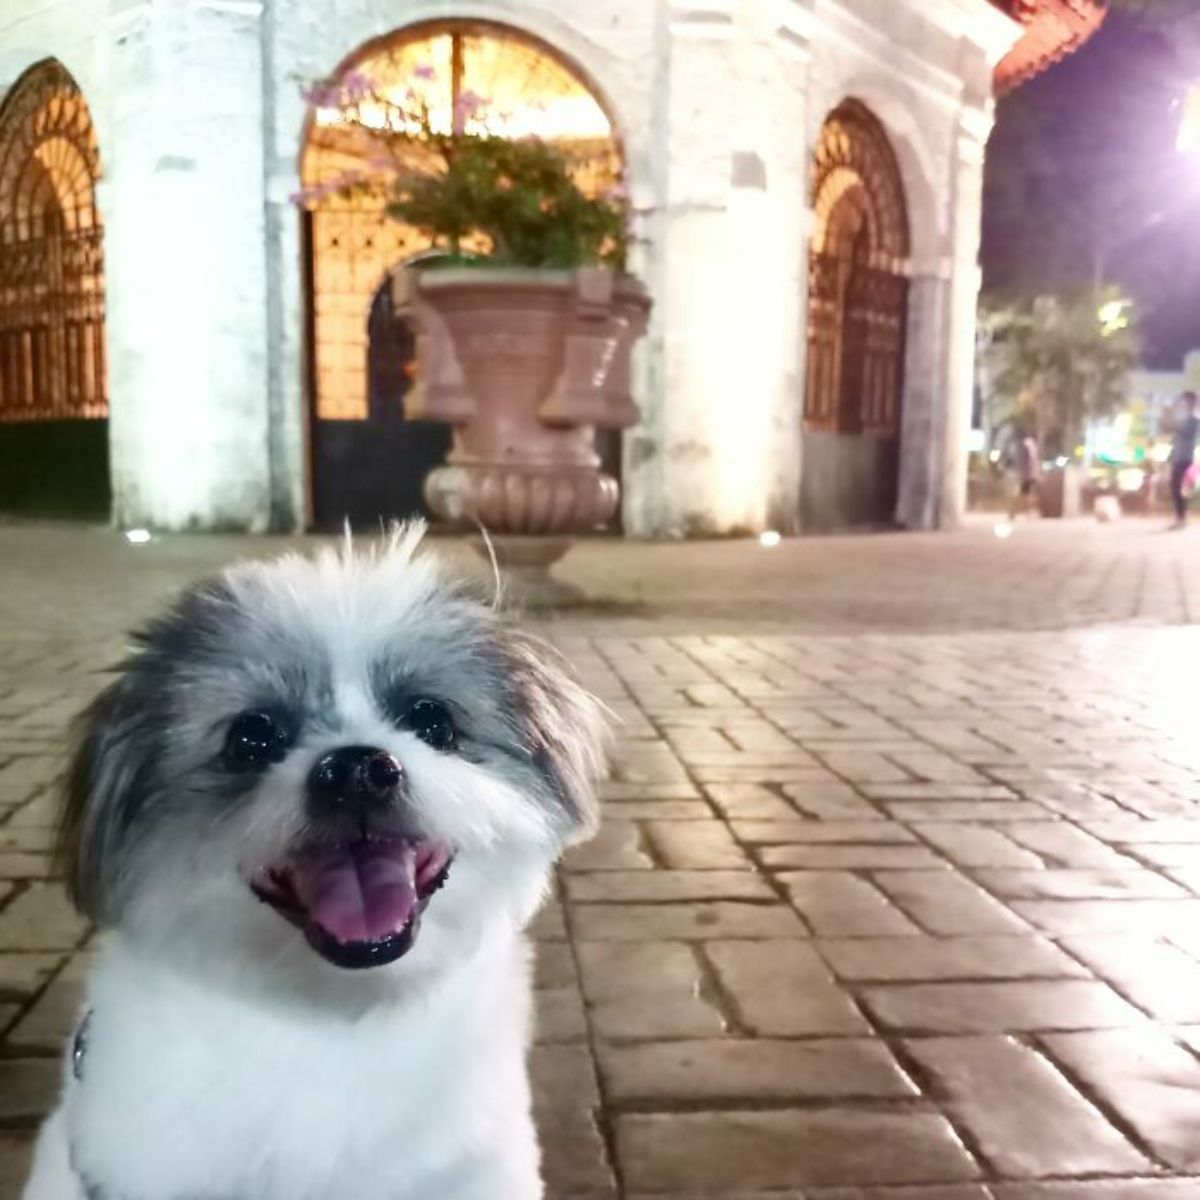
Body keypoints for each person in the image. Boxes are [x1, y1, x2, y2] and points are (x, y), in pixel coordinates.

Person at [1167, 391, 1199, 530]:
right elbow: (1175, 438)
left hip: (1185, 458)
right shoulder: (1185, 419)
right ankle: (1181, 516)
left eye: (1185, 401)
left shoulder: (1194, 420)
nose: (1183, 404)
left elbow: (1179, 432)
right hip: (1178, 456)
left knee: (1180, 487)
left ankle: (1182, 517)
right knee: (1176, 487)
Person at [1007, 426, 1041, 520]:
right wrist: (1032, 473)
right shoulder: (1029, 445)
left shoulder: (1024, 444)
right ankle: (1018, 512)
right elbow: (1031, 460)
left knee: (1026, 494)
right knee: (1025, 494)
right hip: (1028, 474)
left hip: (1026, 473)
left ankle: (1022, 513)